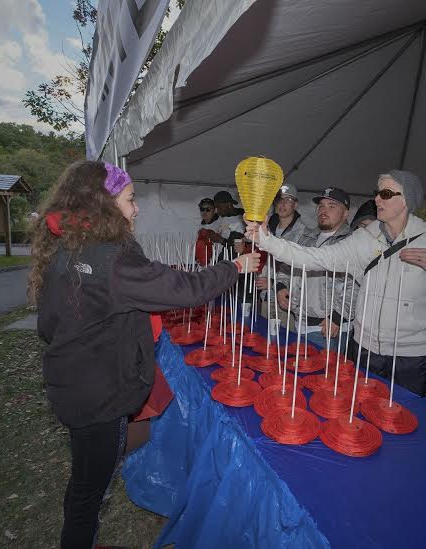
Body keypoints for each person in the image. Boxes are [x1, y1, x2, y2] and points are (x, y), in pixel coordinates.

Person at [28, 160, 260, 548]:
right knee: (90, 487)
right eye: (131, 199)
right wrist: (236, 265)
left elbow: (47, 327)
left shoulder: (68, 244)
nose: (136, 209)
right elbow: (186, 290)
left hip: (72, 384)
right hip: (98, 394)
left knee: (87, 476)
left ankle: (82, 537)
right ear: (103, 203)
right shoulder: (110, 257)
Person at [246, 170, 426, 397]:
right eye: (377, 193)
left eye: (386, 193)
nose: (377, 199)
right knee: (362, 422)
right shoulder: (365, 238)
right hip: (365, 350)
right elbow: (316, 258)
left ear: (407, 200)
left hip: (411, 357)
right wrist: (266, 240)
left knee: (407, 422)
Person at [275, 186, 355, 349]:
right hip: (300, 323)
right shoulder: (307, 237)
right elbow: (287, 265)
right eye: (322, 206)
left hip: (328, 328)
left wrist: (338, 316)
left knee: (327, 374)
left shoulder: (352, 242)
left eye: (332, 206)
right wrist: (281, 286)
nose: (324, 210)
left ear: (346, 213)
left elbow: (357, 284)